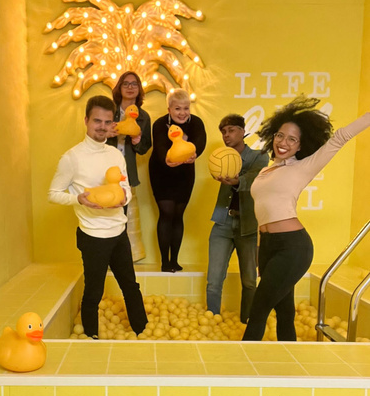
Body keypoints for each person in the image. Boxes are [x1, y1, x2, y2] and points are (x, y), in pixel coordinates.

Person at [243, 96, 370, 341]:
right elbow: (262, 214)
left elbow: (341, 137)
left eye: (292, 139)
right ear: (273, 136)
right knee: (285, 312)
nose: (284, 142)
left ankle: (239, 370)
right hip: (269, 247)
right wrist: (261, 252)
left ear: (300, 146)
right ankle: (289, 364)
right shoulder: (265, 170)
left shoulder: (304, 167)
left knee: (257, 311)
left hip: (293, 247)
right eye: (280, 135)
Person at [48, 95, 148, 339]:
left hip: (118, 232)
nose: (102, 126)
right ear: (86, 120)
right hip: (93, 236)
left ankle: (143, 331)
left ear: (113, 122)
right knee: (94, 291)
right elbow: (53, 194)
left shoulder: (115, 154)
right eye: (96, 121)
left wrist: (123, 198)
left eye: (107, 121)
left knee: (130, 286)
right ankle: (91, 336)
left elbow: (125, 189)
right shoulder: (71, 158)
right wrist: (78, 199)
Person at [207, 114, 269, 322]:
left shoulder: (259, 156)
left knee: (250, 280)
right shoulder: (220, 158)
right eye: (223, 132)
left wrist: (236, 180)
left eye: (231, 130)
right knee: (214, 280)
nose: (226, 135)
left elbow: (254, 178)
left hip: (248, 226)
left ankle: (247, 323)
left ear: (243, 132)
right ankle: (212, 321)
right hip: (222, 223)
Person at [149, 89, 207, 272]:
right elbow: (159, 147)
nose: (182, 113)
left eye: (186, 108)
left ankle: (175, 260)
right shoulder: (159, 124)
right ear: (169, 109)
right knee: (166, 214)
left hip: (185, 173)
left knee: (178, 215)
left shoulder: (196, 122)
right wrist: (168, 160)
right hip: (161, 171)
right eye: (177, 109)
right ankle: (165, 263)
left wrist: (194, 154)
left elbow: (200, 141)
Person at [106, 71, 152, 261]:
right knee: (106, 213)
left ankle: (121, 258)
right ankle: (106, 255)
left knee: (122, 214)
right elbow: (94, 134)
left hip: (127, 172)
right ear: (119, 87)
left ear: (139, 89)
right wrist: (107, 132)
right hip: (106, 170)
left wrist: (137, 141)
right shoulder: (109, 111)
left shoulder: (143, 117)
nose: (131, 87)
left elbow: (144, 148)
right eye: (126, 83)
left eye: (135, 84)